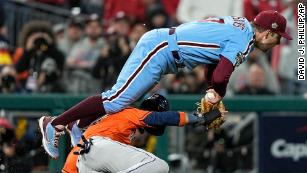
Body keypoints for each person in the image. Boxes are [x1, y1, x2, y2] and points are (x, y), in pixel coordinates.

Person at [39, 10, 292, 158]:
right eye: (277, 38)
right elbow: (220, 73)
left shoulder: (239, 26)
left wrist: (214, 92)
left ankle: (77, 126)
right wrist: (216, 92)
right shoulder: (246, 40)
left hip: (164, 50)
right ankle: (55, 123)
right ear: (268, 32)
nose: (277, 44)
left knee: (118, 99)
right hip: (161, 49)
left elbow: (214, 66)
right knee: (116, 99)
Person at [61, 94, 221, 172]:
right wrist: (198, 118)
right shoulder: (131, 112)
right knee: (161, 167)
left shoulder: (116, 121)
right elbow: (160, 118)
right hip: (93, 149)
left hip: (77, 164)